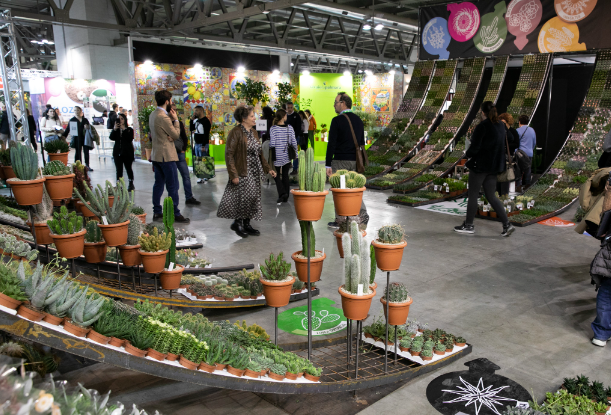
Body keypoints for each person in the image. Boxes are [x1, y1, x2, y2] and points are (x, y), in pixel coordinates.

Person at [454, 101, 515, 237]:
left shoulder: (482, 126)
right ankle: (507, 224)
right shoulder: (501, 125)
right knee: (491, 196)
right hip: (494, 167)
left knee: (473, 195)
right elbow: (510, 138)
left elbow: (474, 148)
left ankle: (469, 225)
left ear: (482, 112)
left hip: (480, 166)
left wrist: (467, 153)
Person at [217, 105, 276, 237]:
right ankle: (238, 222)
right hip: (242, 170)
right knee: (244, 198)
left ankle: (247, 223)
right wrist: (233, 174)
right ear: (244, 119)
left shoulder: (254, 132)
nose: (255, 118)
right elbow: (229, 154)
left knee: (253, 197)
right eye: (252, 116)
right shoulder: (236, 132)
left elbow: (260, 154)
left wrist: (268, 169)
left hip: (255, 170)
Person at [326, 92, 369, 228]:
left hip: (340, 161)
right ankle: (362, 214)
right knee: (355, 189)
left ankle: (341, 220)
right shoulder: (358, 120)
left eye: (336, 102)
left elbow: (331, 144)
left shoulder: (337, 120)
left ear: (343, 103)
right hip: (355, 161)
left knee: (339, 190)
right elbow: (361, 142)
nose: (334, 105)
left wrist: (328, 164)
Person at [149, 90, 190, 223]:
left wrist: (170, 135)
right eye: (171, 100)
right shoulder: (164, 117)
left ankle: (157, 211)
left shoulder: (153, 114)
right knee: (173, 186)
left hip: (156, 155)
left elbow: (161, 133)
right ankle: (175, 213)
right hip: (166, 156)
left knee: (158, 184)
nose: (171, 103)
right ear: (167, 101)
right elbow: (176, 135)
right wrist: (176, 120)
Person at [171, 102, 200, 205]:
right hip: (170, 154)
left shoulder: (179, 123)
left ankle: (189, 197)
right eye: (172, 109)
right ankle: (174, 201)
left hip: (180, 153)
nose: (174, 112)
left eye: (175, 110)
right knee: (173, 179)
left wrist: (183, 148)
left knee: (186, 176)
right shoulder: (165, 123)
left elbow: (184, 137)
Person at [269, 109, 298, 203]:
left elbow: (272, 144)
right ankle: (286, 196)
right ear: (283, 116)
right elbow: (293, 142)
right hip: (286, 155)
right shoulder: (290, 128)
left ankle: (282, 193)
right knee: (285, 175)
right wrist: (296, 154)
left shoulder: (273, 128)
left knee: (276, 174)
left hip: (277, 155)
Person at [109, 113, 135, 191]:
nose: (120, 120)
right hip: (117, 153)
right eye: (118, 119)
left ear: (125, 120)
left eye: (122, 119)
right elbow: (111, 137)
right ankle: (119, 185)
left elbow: (130, 139)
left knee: (128, 168)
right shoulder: (116, 130)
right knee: (119, 169)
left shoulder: (129, 129)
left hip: (127, 153)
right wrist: (114, 129)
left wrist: (124, 129)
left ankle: (131, 183)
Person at [62, 106, 93, 170]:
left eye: (78, 110)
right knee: (78, 152)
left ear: (80, 111)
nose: (76, 112)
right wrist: (63, 136)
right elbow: (68, 129)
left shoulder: (85, 120)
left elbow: (89, 128)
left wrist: (87, 127)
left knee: (86, 152)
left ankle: (87, 165)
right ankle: (78, 165)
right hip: (77, 138)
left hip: (85, 138)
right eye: (75, 110)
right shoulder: (72, 120)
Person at [497, 113, 520, 196]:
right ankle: (498, 194)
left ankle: (504, 195)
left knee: (505, 177)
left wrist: (505, 146)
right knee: (498, 177)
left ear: (508, 122)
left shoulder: (513, 132)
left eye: (503, 122)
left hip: (507, 157)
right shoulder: (499, 131)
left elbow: (516, 144)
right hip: (499, 157)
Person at [190, 106, 212, 183]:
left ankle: (203, 176)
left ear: (201, 111)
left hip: (202, 144)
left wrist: (203, 145)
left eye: (196, 110)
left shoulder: (206, 121)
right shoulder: (197, 120)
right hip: (197, 143)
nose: (195, 112)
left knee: (203, 160)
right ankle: (203, 176)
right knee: (198, 160)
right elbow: (191, 129)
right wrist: (191, 120)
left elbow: (206, 134)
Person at [515, 114, 537, 190]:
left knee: (519, 170)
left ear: (519, 122)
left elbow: (516, 142)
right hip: (529, 153)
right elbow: (534, 142)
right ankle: (527, 184)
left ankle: (518, 185)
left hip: (520, 153)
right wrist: (531, 149)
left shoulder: (518, 130)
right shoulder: (532, 130)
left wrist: (515, 152)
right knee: (528, 169)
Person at [286, 102, 301, 175]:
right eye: (288, 108)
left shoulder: (296, 116)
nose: (290, 109)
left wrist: (294, 137)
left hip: (295, 138)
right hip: (286, 138)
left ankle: (295, 169)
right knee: (286, 152)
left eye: (291, 107)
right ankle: (288, 166)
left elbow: (298, 127)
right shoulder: (285, 116)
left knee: (295, 153)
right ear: (286, 108)